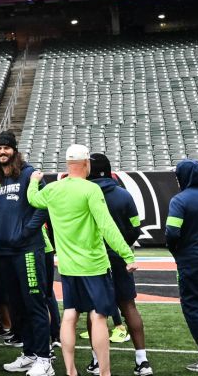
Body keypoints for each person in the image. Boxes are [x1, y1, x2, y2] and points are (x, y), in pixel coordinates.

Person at [27, 144, 138, 376]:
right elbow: (107, 226)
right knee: (98, 316)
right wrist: (127, 255)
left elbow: (33, 199)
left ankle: (70, 371)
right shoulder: (90, 190)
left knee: (69, 314)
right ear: (86, 163)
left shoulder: (52, 190)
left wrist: (33, 180)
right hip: (94, 264)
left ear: (68, 164)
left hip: (67, 266)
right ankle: (105, 372)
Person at [0, 131, 53, 376]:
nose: (2, 152)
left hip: (27, 251)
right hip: (4, 253)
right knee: (16, 306)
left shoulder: (28, 174)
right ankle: (29, 353)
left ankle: (45, 359)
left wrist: (25, 233)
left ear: (14, 150)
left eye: (6, 148)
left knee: (34, 302)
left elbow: (44, 206)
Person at [85, 153, 152, 376]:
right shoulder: (124, 195)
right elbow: (135, 226)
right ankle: (142, 361)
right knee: (129, 306)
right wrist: (123, 247)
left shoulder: (84, 195)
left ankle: (96, 361)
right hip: (119, 258)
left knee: (95, 311)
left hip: (93, 260)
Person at [166, 159, 198, 373]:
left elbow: (171, 232)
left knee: (193, 305)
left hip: (191, 261)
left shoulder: (179, 200)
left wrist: (175, 250)